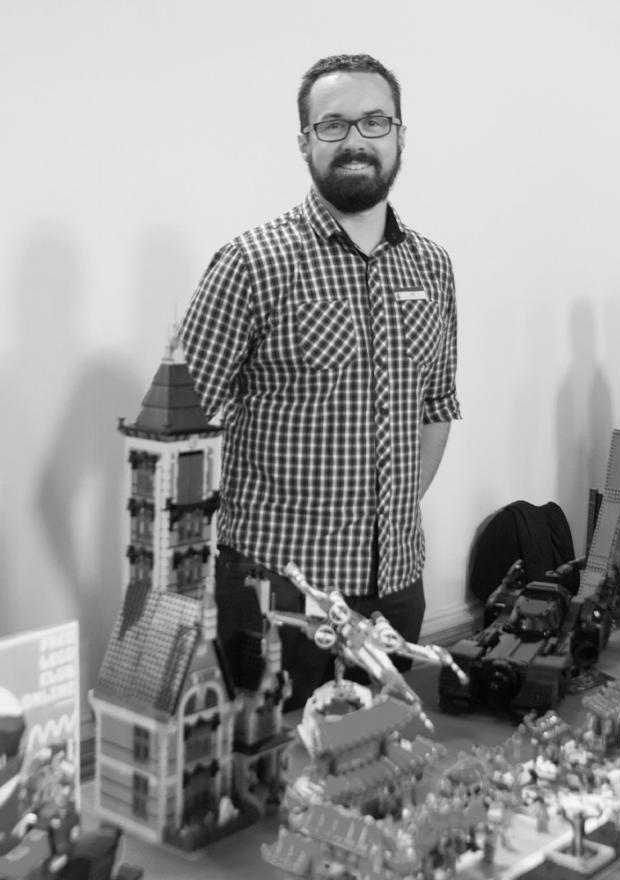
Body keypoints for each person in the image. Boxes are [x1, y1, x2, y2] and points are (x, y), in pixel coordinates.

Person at [179, 53, 461, 708]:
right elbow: (181, 427)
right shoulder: (252, 263)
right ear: (305, 141)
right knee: (271, 781)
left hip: (396, 587)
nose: (356, 140)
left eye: (374, 121)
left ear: (400, 135)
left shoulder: (434, 267)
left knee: (374, 764)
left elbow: (438, 406)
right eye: (332, 125)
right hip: (279, 594)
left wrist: (384, 509)